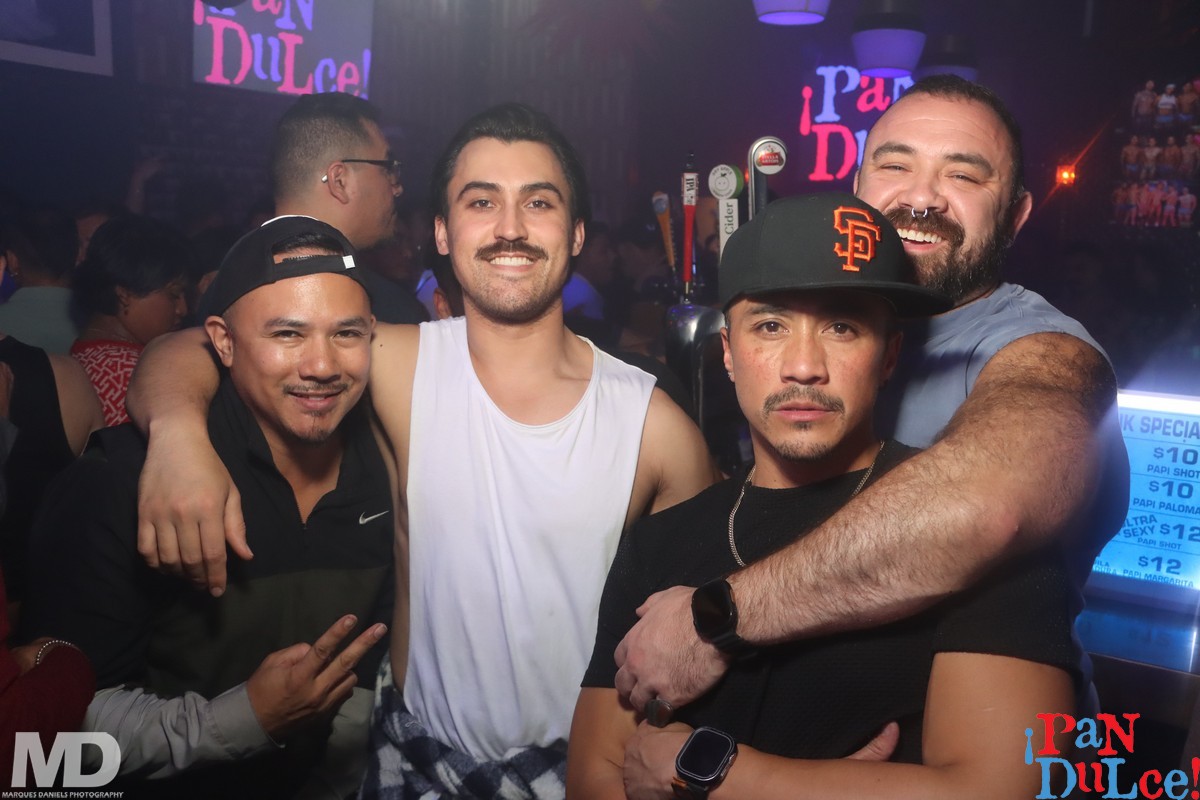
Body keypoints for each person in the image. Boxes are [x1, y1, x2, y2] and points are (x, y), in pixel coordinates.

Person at [126, 103, 717, 798]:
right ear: (440, 231)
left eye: (539, 202)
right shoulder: (394, 363)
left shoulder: (654, 426)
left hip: (586, 774)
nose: (510, 228)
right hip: (413, 765)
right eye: (481, 201)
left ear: (578, 232)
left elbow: (700, 643)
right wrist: (177, 436)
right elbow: (192, 347)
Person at [611, 75, 1128, 726]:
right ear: (858, 186)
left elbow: (988, 508)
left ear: (1016, 214)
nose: (921, 196)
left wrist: (717, 619)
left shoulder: (1048, 354)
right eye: (895, 165)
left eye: (963, 175)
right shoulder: (821, 334)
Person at [569, 192, 1077, 799]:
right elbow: (593, 779)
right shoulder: (659, 544)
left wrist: (716, 776)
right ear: (728, 353)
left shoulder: (972, 539)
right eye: (771, 326)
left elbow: (1005, 790)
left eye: (842, 327)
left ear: (889, 356)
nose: (805, 366)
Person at [19, 216, 393, 797]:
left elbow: (368, 668)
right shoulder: (121, 483)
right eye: (287, 334)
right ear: (223, 342)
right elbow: (41, 733)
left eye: (346, 334)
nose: (322, 366)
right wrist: (241, 723)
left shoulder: (387, 473)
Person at [258, 91, 425, 325]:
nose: (397, 188)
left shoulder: (226, 290)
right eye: (388, 168)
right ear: (340, 181)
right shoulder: (388, 312)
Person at [70, 216, 191, 425]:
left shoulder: (87, 353)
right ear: (124, 294)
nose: (183, 309)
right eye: (173, 295)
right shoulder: (134, 374)